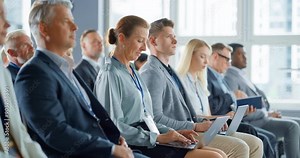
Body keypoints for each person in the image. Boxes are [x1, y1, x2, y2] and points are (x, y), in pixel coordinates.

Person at [14, 1, 147, 158]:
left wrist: (115, 138)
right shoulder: (33, 73)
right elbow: (54, 132)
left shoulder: (65, 68)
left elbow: (92, 115)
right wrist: (109, 149)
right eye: (66, 21)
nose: (75, 27)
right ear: (43, 28)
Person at [94, 15, 226, 158]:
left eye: (145, 42)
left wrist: (171, 132)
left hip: (151, 135)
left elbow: (148, 118)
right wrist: (157, 138)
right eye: (139, 41)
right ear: (121, 38)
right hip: (135, 144)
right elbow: (114, 127)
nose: (144, 48)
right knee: (215, 157)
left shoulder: (132, 70)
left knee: (219, 154)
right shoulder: (110, 74)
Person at [140, 18, 263, 158]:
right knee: (240, 147)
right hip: (178, 134)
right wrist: (196, 126)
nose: (175, 41)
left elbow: (189, 114)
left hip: (191, 129)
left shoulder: (168, 71)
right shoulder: (152, 72)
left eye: (174, 37)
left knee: (255, 142)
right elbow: (155, 117)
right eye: (169, 37)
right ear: (153, 41)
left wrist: (209, 122)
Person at [224, 43, 300, 158]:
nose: (245, 57)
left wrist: (269, 112)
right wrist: (266, 114)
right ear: (231, 56)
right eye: (240, 54)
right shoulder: (230, 77)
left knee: (297, 122)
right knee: (292, 126)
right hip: (256, 121)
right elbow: (237, 106)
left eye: (245, 53)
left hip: (263, 116)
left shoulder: (242, 74)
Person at [0, 0, 46, 157]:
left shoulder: (4, 75)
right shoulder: (11, 77)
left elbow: (17, 129)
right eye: (26, 46)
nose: (7, 24)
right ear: (12, 53)